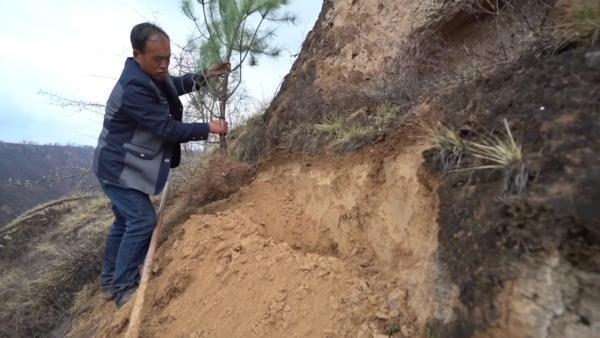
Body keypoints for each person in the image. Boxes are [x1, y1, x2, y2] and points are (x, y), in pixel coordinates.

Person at [92, 22, 229, 307]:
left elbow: (175, 85)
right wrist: (208, 128)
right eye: (158, 59)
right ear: (137, 54)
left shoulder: (153, 73)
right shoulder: (134, 87)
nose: (164, 65)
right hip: (117, 168)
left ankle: (108, 281)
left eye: (167, 57)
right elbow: (165, 128)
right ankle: (122, 289)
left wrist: (203, 76)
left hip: (123, 163)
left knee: (124, 220)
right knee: (142, 220)